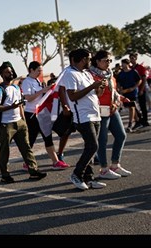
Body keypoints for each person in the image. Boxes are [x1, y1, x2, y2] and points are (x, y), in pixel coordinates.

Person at [0, 61, 47, 183]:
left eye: (11, 71)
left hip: (20, 122)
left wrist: (23, 121)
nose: (10, 73)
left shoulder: (16, 87)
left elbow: (20, 105)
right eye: (7, 72)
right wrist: (11, 107)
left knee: (26, 148)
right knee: (5, 150)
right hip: (6, 124)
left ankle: (33, 171)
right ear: (2, 74)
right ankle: (5, 175)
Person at [64, 49, 107, 190]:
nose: (91, 61)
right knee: (92, 146)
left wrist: (100, 87)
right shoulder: (70, 74)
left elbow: (96, 94)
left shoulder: (87, 73)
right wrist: (92, 86)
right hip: (82, 117)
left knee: (91, 148)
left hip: (95, 114)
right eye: (89, 59)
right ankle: (76, 174)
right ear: (82, 59)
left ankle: (89, 178)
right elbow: (73, 96)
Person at [89, 50, 131, 179]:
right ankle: (104, 169)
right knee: (102, 140)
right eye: (105, 60)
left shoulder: (110, 74)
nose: (108, 63)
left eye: (110, 60)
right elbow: (94, 95)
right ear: (97, 61)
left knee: (121, 135)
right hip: (101, 111)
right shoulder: (91, 75)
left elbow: (113, 92)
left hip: (113, 109)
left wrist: (121, 98)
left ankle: (115, 165)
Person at [21, 61, 69, 170]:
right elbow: (28, 98)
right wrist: (44, 90)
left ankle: (56, 161)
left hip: (41, 113)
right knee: (31, 139)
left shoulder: (37, 81)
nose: (40, 73)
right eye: (38, 70)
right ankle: (27, 162)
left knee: (47, 136)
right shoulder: (26, 82)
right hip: (32, 114)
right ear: (31, 70)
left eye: (41, 71)